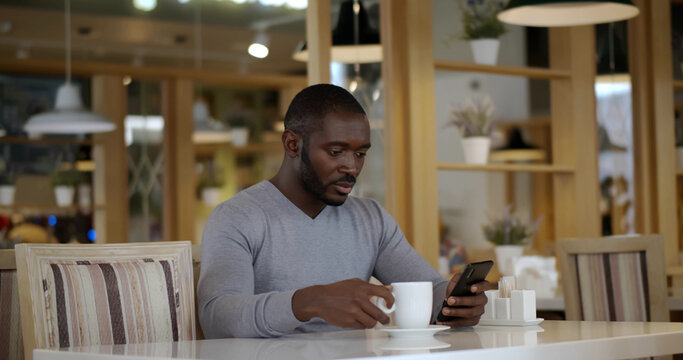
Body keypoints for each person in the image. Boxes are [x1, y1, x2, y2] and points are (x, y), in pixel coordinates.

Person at [198, 84, 490, 338]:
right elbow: (218, 317)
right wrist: (310, 301)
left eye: (361, 153)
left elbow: (430, 289)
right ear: (292, 144)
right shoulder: (237, 217)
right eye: (336, 152)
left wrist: (457, 303)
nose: (351, 167)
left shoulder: (371, 218)